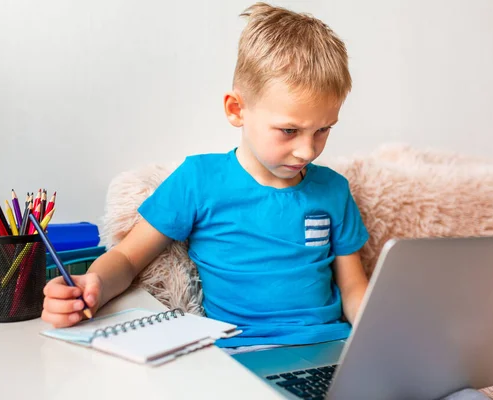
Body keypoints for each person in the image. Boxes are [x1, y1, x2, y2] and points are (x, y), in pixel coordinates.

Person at [41, 2, 370, 352]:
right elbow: (126, 258)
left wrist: (386, 333)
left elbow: (353, 289)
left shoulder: (333, 190)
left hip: (334, 347)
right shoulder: (198, 181)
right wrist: (92, 284)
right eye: (289, 130)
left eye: (323, 130)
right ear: (236, 109)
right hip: (241, 355)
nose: (307, 150)